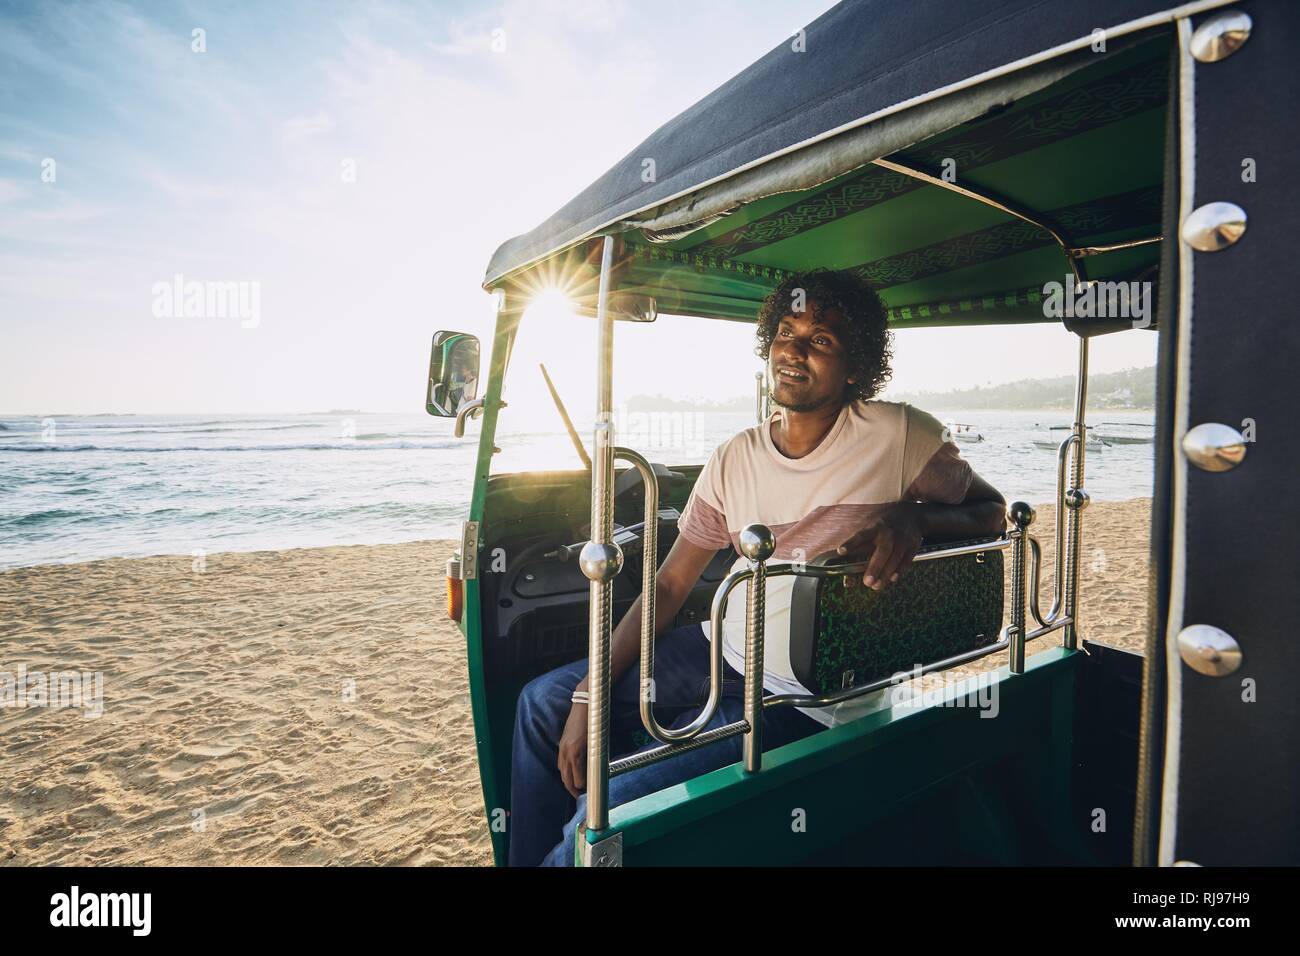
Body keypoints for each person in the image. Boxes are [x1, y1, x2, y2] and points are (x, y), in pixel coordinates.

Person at [508, 269, 1007, 866]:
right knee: (543, 704)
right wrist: (591, 693)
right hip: (720, 653)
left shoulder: (898, 435)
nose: (794, 350)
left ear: (856, 366)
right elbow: (669, 586)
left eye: (820, 339)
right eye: (786, 333)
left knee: (608, 816)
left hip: (811, 698)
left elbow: (992, 511)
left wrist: (916, 519)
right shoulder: (733, 457)